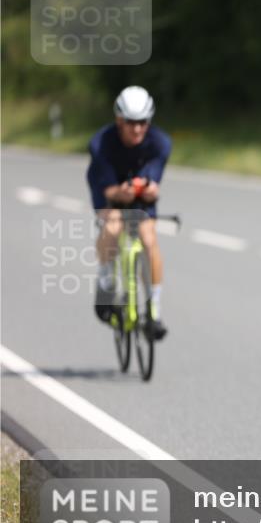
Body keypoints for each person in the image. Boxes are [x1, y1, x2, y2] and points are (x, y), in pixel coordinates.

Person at [87, 86, 172, 339]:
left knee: (148, 238)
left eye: (143, 122)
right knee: (112, 227)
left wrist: (151, 191)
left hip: (139, 192)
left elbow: (153, 183)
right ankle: (105, 282)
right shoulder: (100, 143)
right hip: (108, 188)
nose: (137, 129)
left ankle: (154, 309)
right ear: (119, 120)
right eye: (131, 122)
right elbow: (107, 189)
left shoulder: (160, 143)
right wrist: (118, 193)